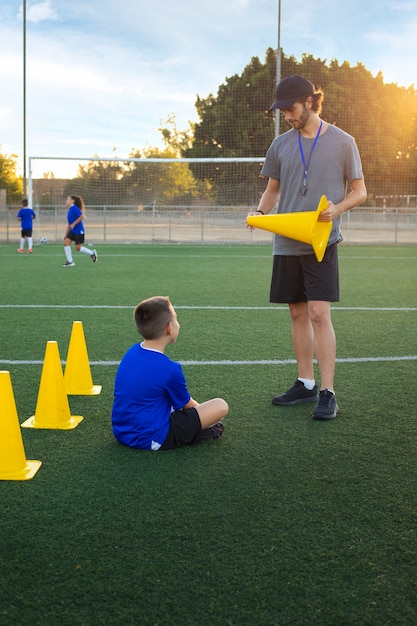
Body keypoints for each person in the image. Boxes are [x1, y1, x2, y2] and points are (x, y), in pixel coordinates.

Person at [249, 75, 367, 420]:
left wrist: (337, 209)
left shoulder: (344, 142)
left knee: (319, 313)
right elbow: (273, 189)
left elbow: (359, 191)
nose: (287, 115)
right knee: (297, 313)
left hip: (321, 241)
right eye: (282, 110)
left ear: (311, 101)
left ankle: (328, 392)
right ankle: (305, 383)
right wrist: (259, 213)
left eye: (291, 108)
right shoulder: (281, 144)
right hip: (286, 242)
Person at [111, 295, 229, 450]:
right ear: (169, 328)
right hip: (152, 437)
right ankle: (196, 433)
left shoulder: (131, 352)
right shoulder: (170, 369)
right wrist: (205, 419)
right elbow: (188, 405)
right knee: (220, 406)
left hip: (121, 431)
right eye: (176, 319)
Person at [63, 194, 97, 267]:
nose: (66, 201)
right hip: (72, 231)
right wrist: (66, 234)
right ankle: (70, 261)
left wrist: (74, 224)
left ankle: (92, 253)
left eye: (67, 199)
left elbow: (82, 216)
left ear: (72, 201)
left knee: (78, 248)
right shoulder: (70, 209)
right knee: (66, 242)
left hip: (79, 231)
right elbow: (69, 224)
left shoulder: (74, 208)